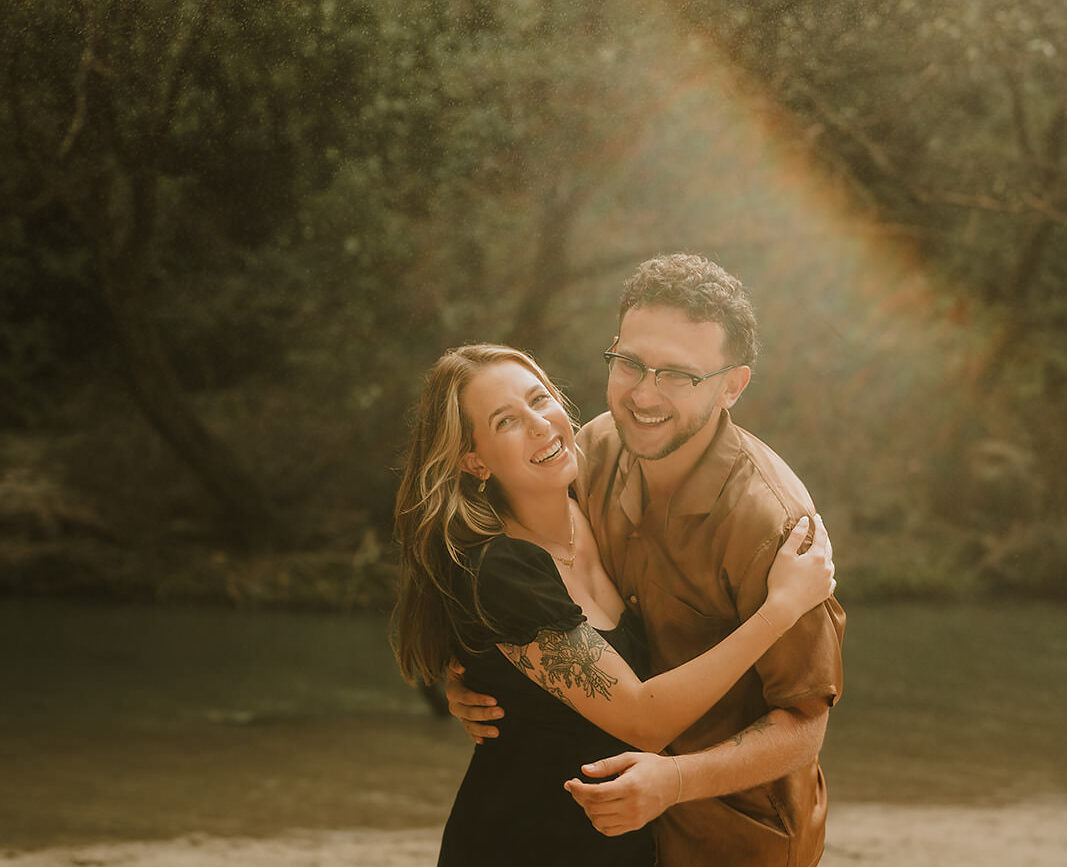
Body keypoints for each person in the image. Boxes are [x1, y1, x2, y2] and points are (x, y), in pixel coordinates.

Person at [446, 254, 847, 866]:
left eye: (679, 375)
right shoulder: (592, 453)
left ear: (732, 386)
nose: (644, 393)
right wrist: (469, 675)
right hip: (613, 837)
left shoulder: (775, 527)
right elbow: (506, 567)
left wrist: (678, 779)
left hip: (736, 840)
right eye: (630, 363)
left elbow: (804, 725)